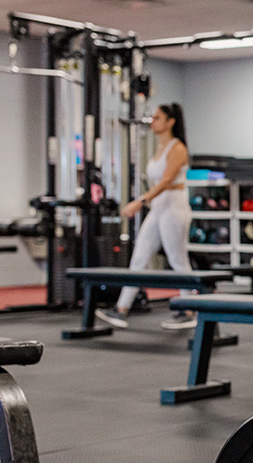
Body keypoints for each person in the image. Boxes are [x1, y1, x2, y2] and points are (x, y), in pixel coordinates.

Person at [95, 104, 197, 330]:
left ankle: (189, 310)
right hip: (159, 207)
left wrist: (140, 201)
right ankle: (121, 310)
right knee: (139, 257)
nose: (153, 122)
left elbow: (166, 181)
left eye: (158, 118)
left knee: (178, 260)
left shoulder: (177, 148)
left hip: (174, 206)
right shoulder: (159, 148)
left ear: (171, 121)